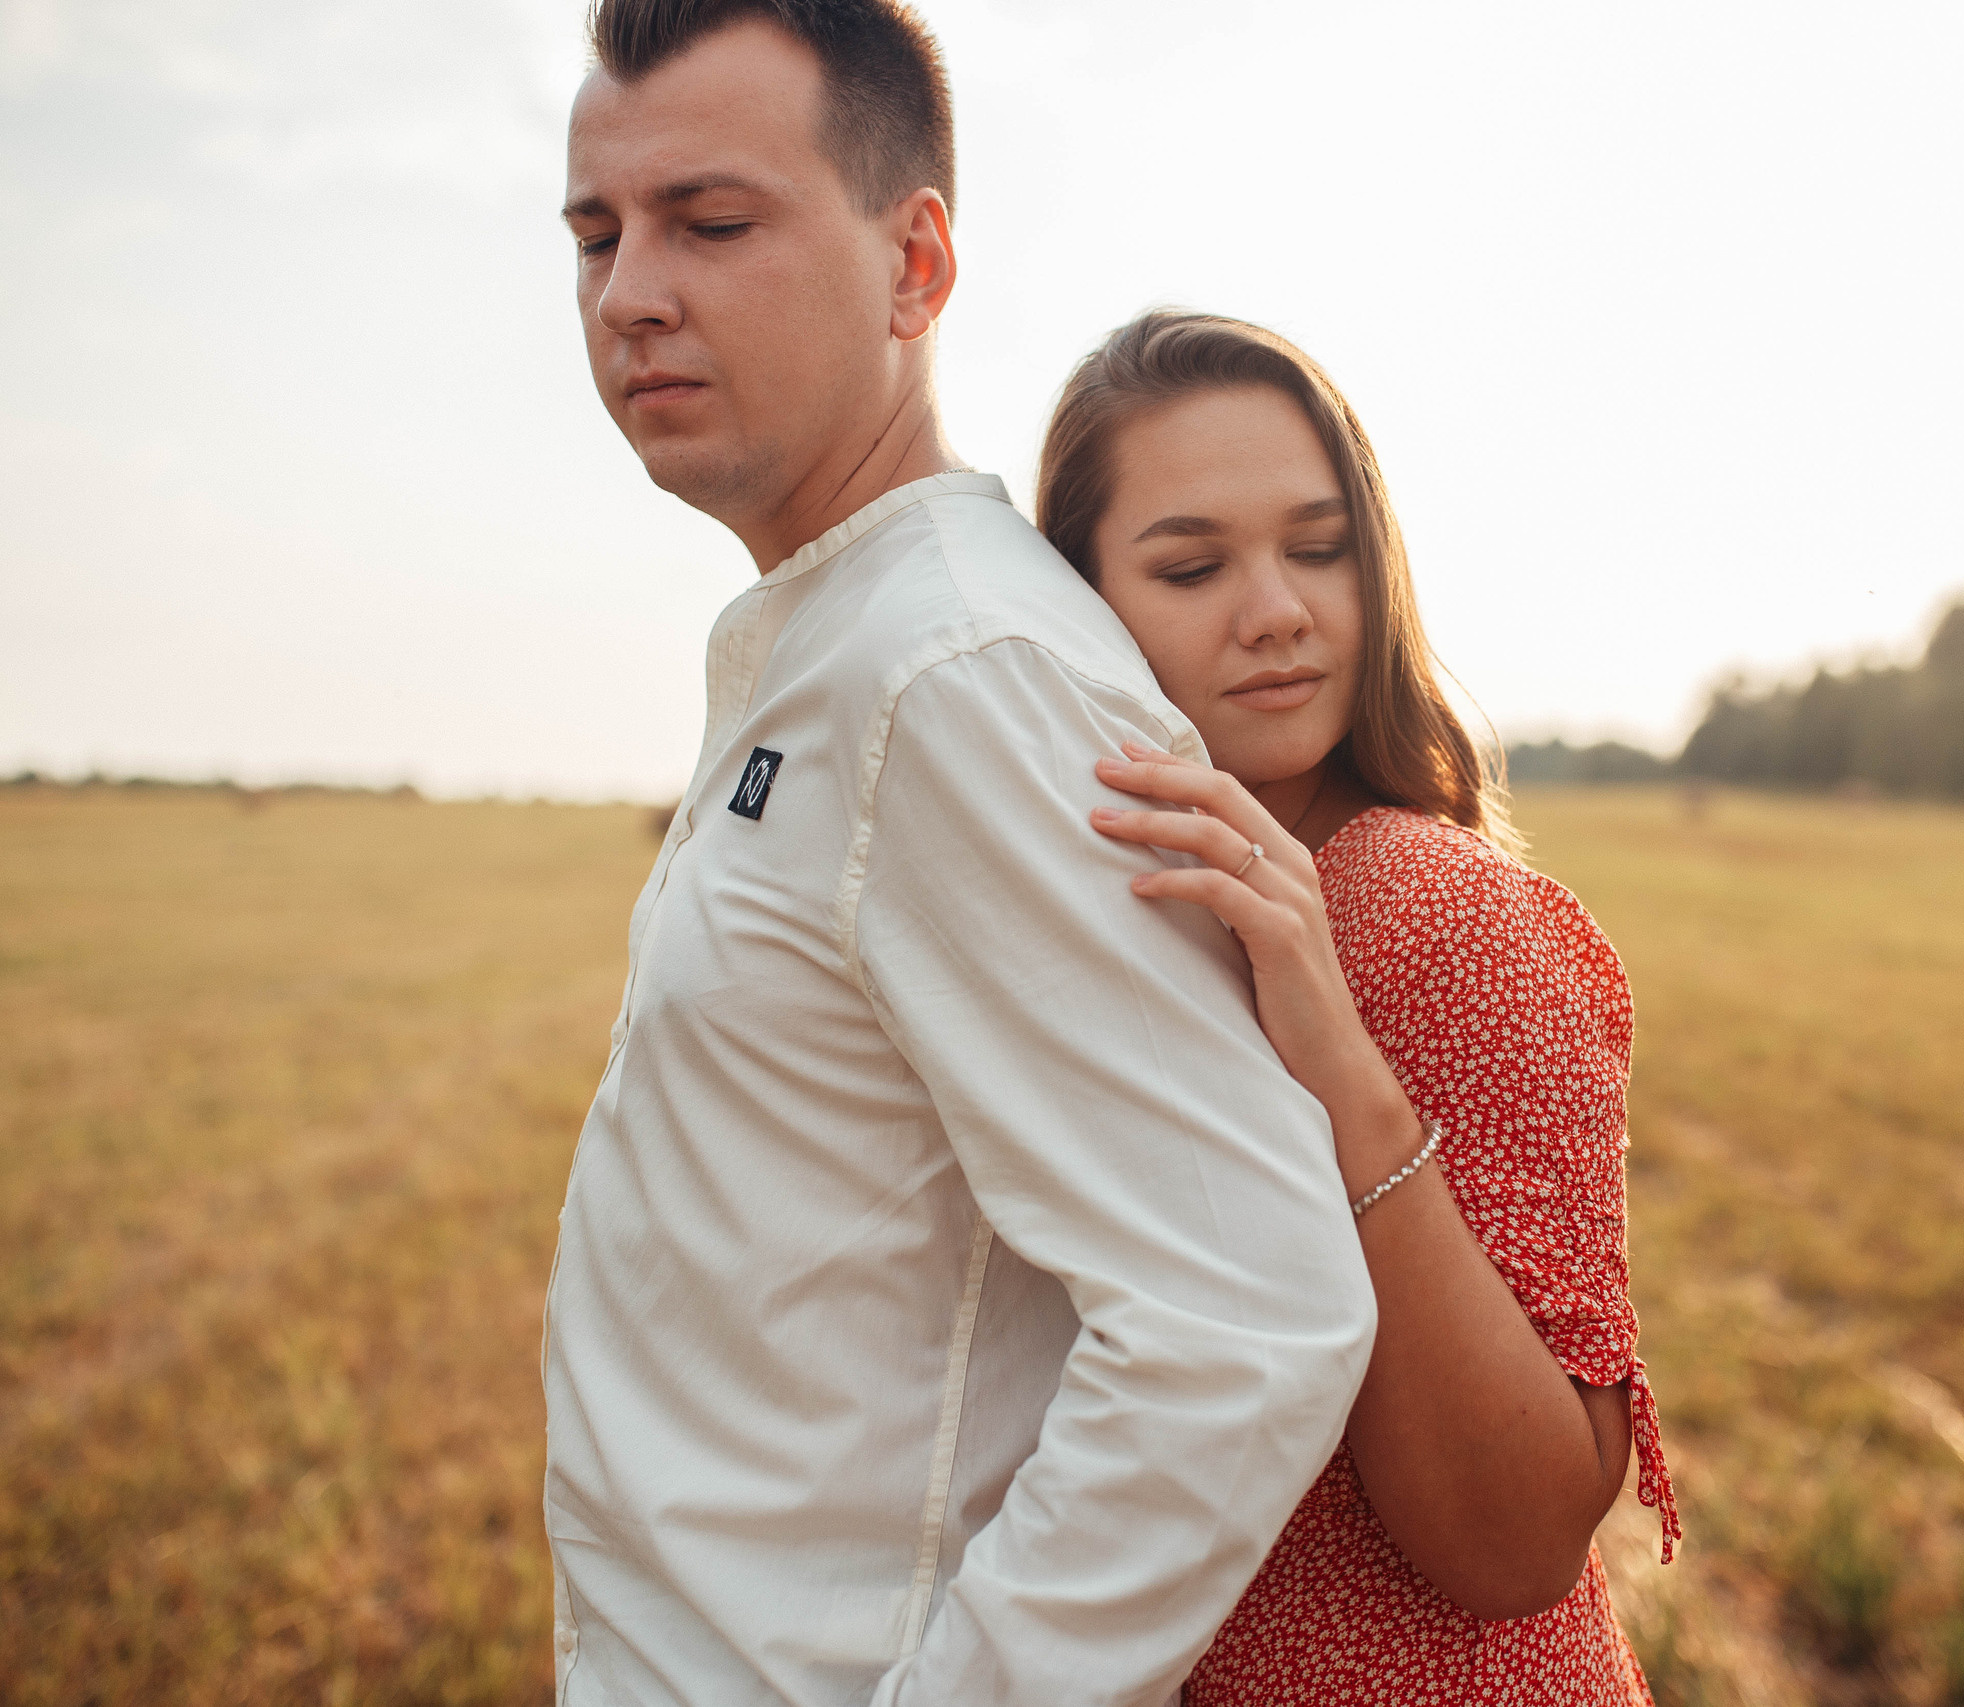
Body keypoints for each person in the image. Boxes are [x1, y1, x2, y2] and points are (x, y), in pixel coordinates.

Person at [541, 10, 1377, 1707]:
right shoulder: (839, 639)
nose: (631, 291)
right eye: (595, 231)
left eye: (711, 222)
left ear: (916, 261)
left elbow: (1243, 1318)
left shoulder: (957, 671)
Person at [1037, 310, 1682, 1704]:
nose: (1276, 610)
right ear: (1077, 605)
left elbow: (1518, 1540)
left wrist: (1337, 1058)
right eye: (1194, 565)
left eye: (1319, 549)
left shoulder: (1440, 915)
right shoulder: (1078, 934)